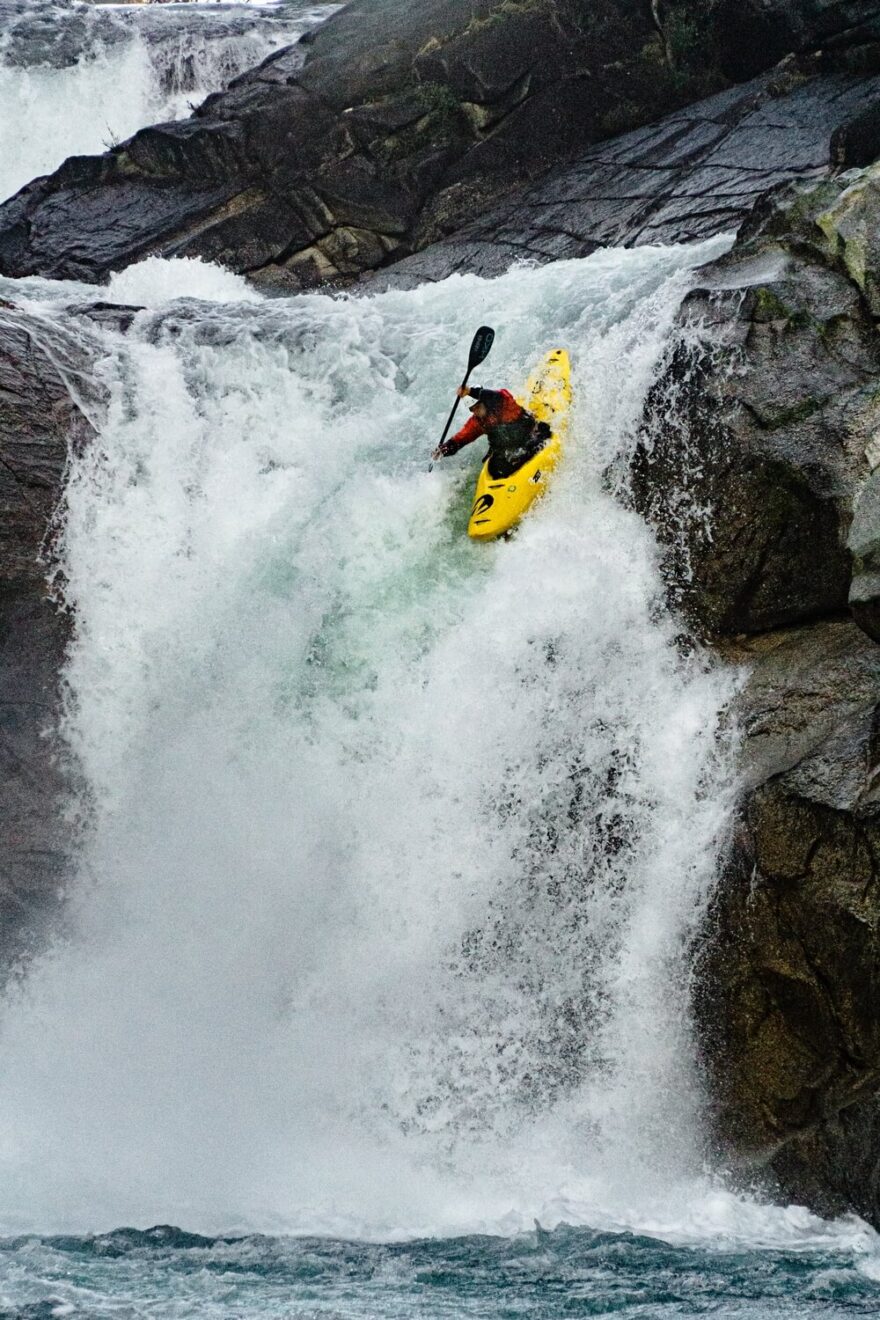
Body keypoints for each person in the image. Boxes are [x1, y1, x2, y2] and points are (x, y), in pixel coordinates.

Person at [432, 386, 551, 479]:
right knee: (494, 468)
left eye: (477, 407)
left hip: (529, 435)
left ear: (484, 401)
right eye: (472, 409)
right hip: (508, 448)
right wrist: (443, 450)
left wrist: (470, 391)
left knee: (534, 444)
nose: (476, 411)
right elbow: (460, 439)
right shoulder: (477, 422)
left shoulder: (503, 402)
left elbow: (493, 396)